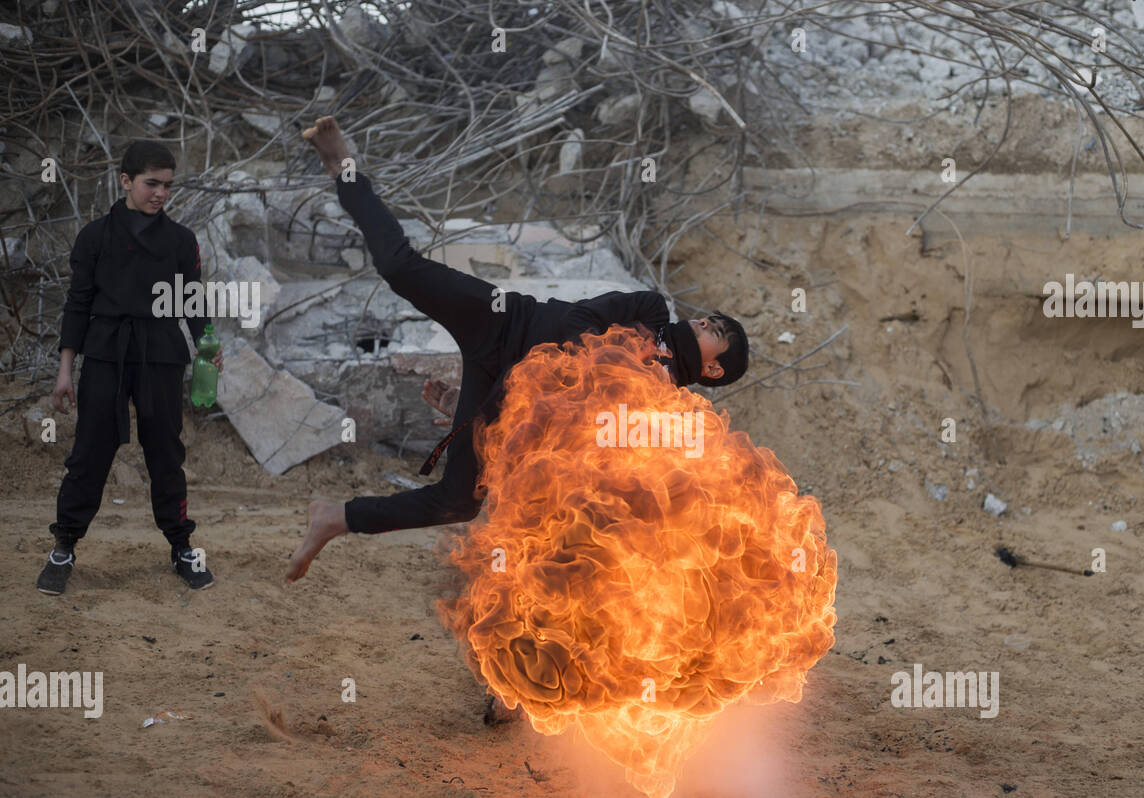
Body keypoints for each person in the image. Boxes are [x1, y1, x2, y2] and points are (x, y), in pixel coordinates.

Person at [285, 116, 748, 584]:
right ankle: (343, 168)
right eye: (711, 318)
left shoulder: (658, 410)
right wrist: (613, 367)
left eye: (716, 332)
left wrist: (484, 418)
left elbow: (571, 449)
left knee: (459, 502)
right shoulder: (650, 311)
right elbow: (576, 322)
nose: (704, 322)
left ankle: (335, 517)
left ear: (711, 370)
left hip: (504, 400)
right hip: (504, 323)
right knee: (400, 267)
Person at [37, 141, 223, 595]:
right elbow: (78, 307)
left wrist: (207, 345)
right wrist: (65, 371)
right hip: (105, 353)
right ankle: (63, 546)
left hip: (160, 353)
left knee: (166, 454)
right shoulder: (95, 237)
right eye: (151, 184)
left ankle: (182, 547)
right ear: (125, 181)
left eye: (167, 186)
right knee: (90, 453)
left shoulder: (181, 241)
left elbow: (191, 303)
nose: (160, 193)